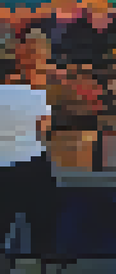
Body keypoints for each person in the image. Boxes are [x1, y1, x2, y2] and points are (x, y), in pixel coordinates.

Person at [0, 34, 56, 267]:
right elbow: (44, 129)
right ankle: (43, 261)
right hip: (32, 164)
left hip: (3, 165)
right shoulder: (35, 95)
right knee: (40, 218)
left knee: (3, 219)